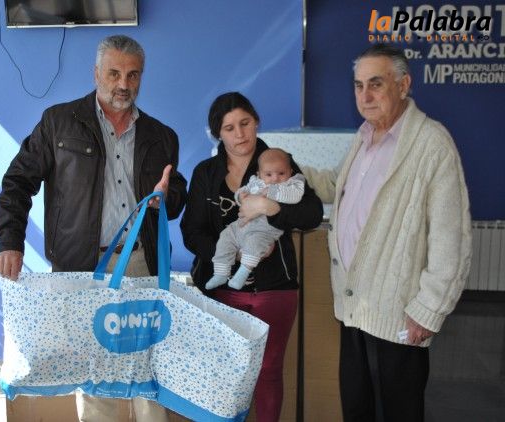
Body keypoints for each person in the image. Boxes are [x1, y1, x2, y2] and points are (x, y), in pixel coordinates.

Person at [0, 35, 187, 422]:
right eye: (114, 73)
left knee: (148, 372)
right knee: (96, 376)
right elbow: (18, 182)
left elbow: (175, 198)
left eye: (133, 75)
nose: (123, 84)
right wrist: (10, 240)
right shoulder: (58, 122)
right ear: (96, 73)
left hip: (142, 267)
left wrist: (168, 197)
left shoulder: (161, 136)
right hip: (83, 269)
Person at [301, 44, 472, 422]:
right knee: (357, 408)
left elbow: (452, 239)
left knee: (398, 412)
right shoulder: (364, 137)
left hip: (398, 316)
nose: (365, 95)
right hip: (354, 310)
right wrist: (285, 169)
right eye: (359, 85)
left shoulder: (431, 144)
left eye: (376, 84)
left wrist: (428, 310)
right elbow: (335, 186)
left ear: (403, 85)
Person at [180, 92, 323, 421]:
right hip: (221, 290)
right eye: (229, 128)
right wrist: (229, 256)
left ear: (256, 121)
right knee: (226, 372)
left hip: (275, 288)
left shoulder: (277, 162)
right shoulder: (206, 173)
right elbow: (192, 231)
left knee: (269, 370)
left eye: (245, 123)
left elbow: (311, 213)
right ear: (218, 134)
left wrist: (271, 208)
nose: (240, 134)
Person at [206, 148, 306, 290]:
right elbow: (244, 190)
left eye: (281, 173)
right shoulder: (256, 182)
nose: (275, 178)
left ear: (290, 172)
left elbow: (295, 197)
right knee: (225, 238)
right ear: (259, 174)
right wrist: (240, 196)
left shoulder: (292, 184)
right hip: (241, 226)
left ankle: (242, 273)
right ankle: (221, 272)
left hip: (264, 230)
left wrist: (271, 192)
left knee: (254, 245)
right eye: (269, 174)